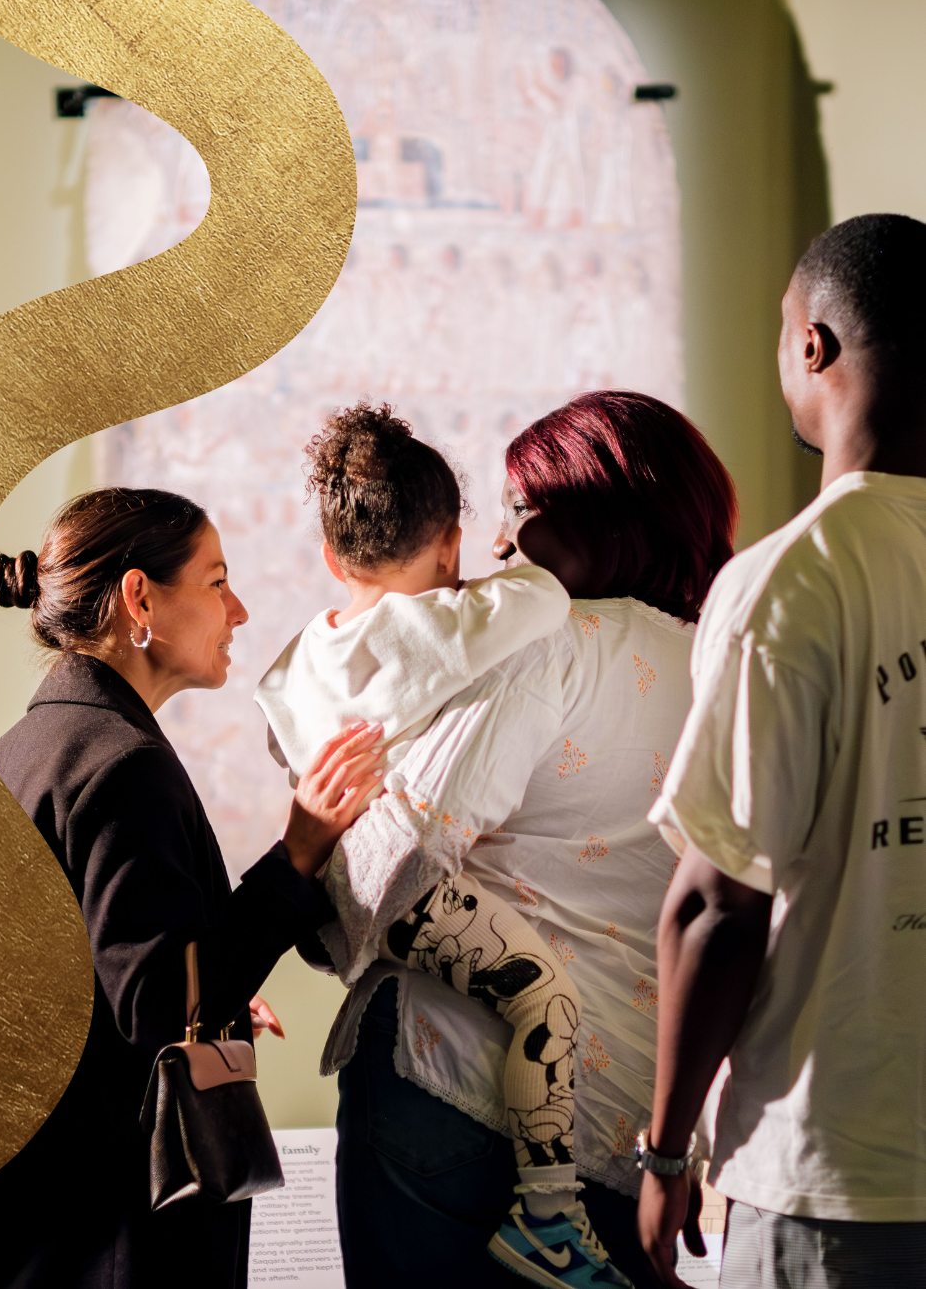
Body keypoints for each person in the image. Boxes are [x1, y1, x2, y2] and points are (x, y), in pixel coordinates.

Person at [312, 392, 737, 1289]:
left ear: (596, 515)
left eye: (519, 510)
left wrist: (315, 874)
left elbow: (403, 859)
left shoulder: (548, 639)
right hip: (628, 1123)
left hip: (451, 1090)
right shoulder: (726, 667)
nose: (500, 544)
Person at [0, 488, 382, 1289]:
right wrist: (296, 857)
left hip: (24, 1224)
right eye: (218, 582)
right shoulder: (122, 767)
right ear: (139, 598)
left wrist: (208, 978)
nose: (242, 611)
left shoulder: (24, 750)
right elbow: (159, 1006)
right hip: (103, 1230)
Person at [255, 403, 624, 1286]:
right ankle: (549, 1214)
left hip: (341, 895)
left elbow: (284, 747)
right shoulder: (448, 629)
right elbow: (543, 593)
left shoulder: (292, 664)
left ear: (332, 559)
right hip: (412, 892)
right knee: (545, 996)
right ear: (452, 543)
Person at [639, 213, 926, 1289]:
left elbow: (715, 904)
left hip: (829, 1174)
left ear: (813, 345)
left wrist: (666, 1151)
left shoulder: (789, 579)